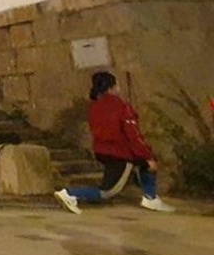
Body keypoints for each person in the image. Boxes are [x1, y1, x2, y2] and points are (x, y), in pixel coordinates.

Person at [53, 71, 174, 214]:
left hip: (102, 150)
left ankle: (151, 197)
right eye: (117, 85)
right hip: (120, 152)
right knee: (108, 191)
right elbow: (132, 136)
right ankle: (70, 194)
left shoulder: (95, 106)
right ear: (111, 88)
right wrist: (147, 155)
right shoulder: (121, 107)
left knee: (145, 164)